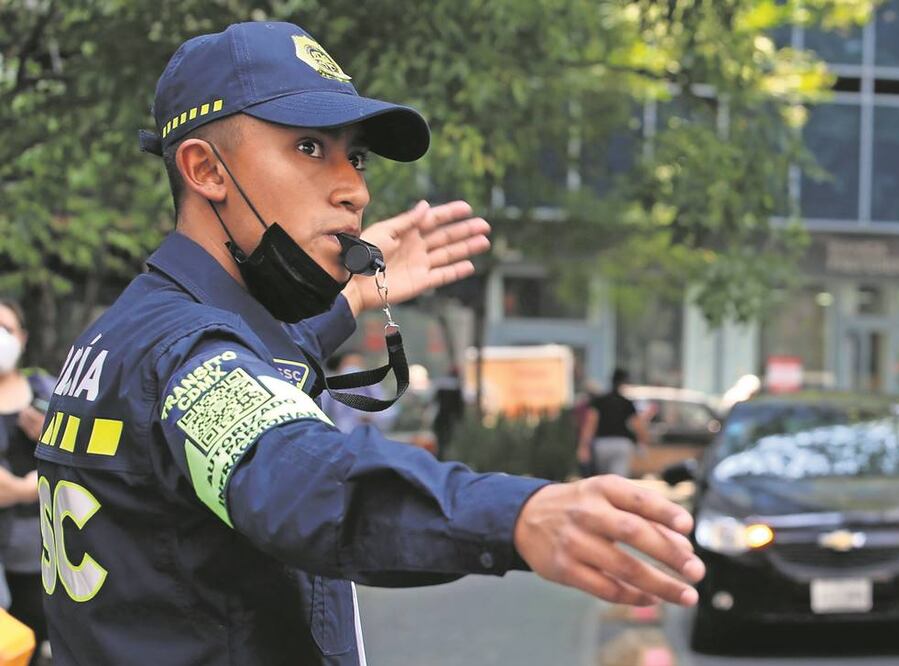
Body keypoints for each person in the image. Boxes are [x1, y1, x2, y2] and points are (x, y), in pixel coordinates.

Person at [35, 22, 703, 665]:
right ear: (206, 170)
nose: (355, 188)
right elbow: (304, 484)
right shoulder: (186, 350)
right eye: (309, 148)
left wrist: (349, 299)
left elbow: (252, 360)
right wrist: (516, 514)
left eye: (353, 154)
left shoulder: (132, 329)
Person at [0, 299, 53, 660]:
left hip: (44, 552)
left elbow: (82, 454)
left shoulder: (47, 390)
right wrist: (31, 486)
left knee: (34, 640)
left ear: (23, 337)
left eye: (6, 329)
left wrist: (47, 437)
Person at [578, 368, 651, 477]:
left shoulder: (599, 401)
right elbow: (638, 425)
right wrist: (643, 442)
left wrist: (583, 446)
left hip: (601, 443)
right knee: (618, 479)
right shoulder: (626, 403)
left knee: (602, 479)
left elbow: (590, 423)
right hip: (622, 443)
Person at [430, 366, 464, 459]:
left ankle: (439, 456)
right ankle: (444, 456)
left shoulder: (442, 385)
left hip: (440, 416)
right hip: (450, 419)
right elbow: (459, 406)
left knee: (440, 439)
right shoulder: (457, 388)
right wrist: (460, 418)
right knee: (447, 440)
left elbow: (433, 401)